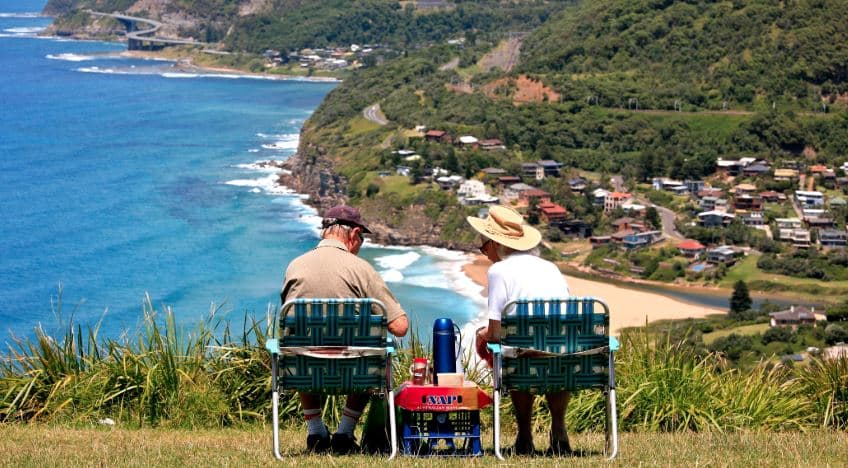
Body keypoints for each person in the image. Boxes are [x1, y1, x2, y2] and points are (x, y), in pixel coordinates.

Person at [281, 204, 409, 454]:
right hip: (355, 371)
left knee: (302, 342)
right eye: (362, 239)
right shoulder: (361, 269)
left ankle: (316, 433)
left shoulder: (294, 266)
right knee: (371, 349)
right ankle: (345, 433)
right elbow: (400, 326)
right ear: (354, 234)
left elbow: (291, 322)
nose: (360, 245)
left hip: (304, 369)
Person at [467, 205, 572, 456]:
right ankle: (558, 429)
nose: (484, 253)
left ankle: (525, 435)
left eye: (484, 246)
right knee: (548, 351)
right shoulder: (550, 267)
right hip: (566, 358)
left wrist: (480, 336)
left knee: (515, 353)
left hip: (524, 360)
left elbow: (494, 333)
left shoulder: (499, 271)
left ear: (495, 243)